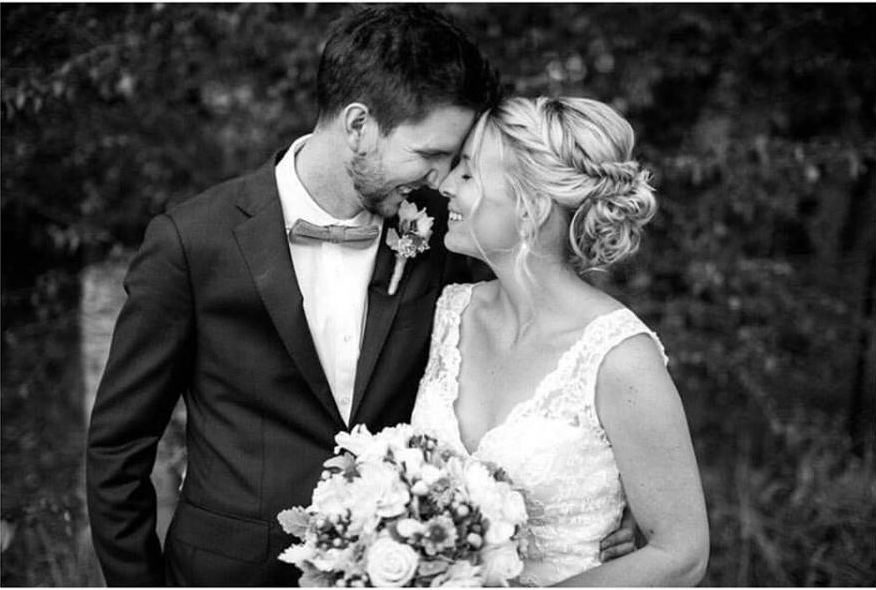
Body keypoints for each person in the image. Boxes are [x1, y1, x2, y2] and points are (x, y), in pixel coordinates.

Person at [86, 7, 634, 586]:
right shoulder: (193, 242)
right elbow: (118, 449)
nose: (442, 178)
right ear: (358, 126)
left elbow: (547, 345)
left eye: (454, 161)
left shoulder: (450, 232)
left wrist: (607, 491)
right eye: (430, 155)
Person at [411, 96, 710, 586]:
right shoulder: (449, 313)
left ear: (530, 206)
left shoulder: (619, 357)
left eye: (467, 173)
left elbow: (681, 555)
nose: (445, 186)